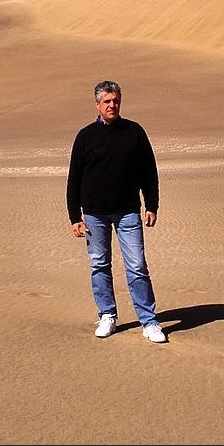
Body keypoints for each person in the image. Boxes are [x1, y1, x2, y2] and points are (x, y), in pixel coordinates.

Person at [66, 80, 167, 343]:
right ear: (97, 104)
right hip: (94, 214)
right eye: (107, 101)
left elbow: (149, 171)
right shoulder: (85, 136)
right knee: (99, 265)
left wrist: (152, 205)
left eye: (116, 100)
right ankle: (107, 315)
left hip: (128, 212)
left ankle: (149, 321)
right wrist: (74, 217)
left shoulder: (134, 132)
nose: (112, 105)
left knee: (137, 266)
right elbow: (74, 179)